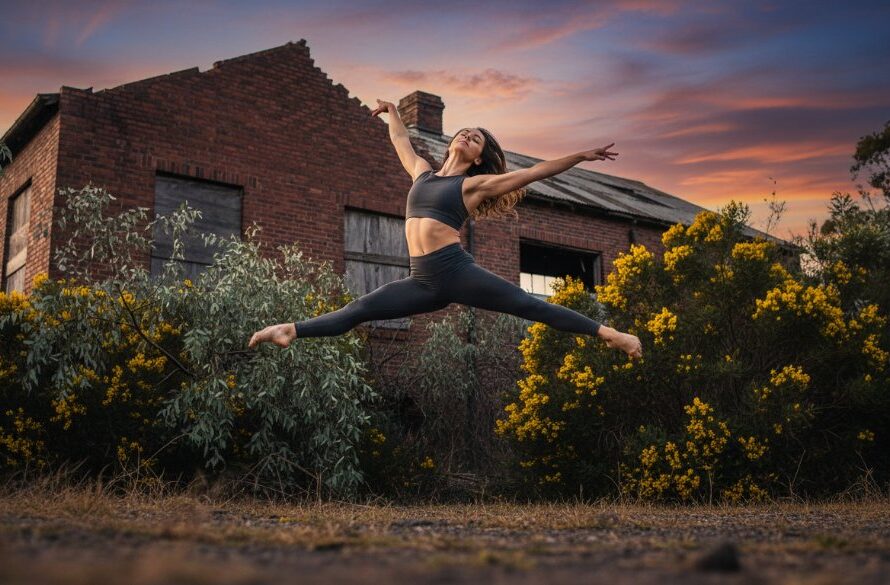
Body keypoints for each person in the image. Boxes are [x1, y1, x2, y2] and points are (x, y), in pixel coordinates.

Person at [248, 99, 643, 359]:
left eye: (477, 140)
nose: (468, 135)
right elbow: (401, 141)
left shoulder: (473, 186)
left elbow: (536, 172)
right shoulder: (422, 173)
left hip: (455, 271)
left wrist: (581, 156)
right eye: (466, 131)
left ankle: (611, 334)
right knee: (360, 309)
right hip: (421, 281)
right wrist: (394, 113)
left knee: (528, 306)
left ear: (478, 159)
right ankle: (289, 330)